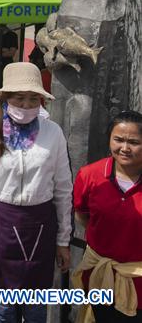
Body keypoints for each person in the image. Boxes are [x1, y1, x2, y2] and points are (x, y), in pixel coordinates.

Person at [0, 62, 72, 323]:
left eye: (33, 99)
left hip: (41, 226)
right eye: (19, 98)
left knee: (36, 309)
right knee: (4, 308)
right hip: (1, 226)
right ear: (5, 98)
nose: (26, 105)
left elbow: (63, 188)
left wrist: (63, 240)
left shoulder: (53, 132)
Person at [73, 111, 142, 323]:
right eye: (118, 140)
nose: (125, 148)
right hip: (100, 276)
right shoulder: (89, 175)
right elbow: (83, 215)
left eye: (134, 142)